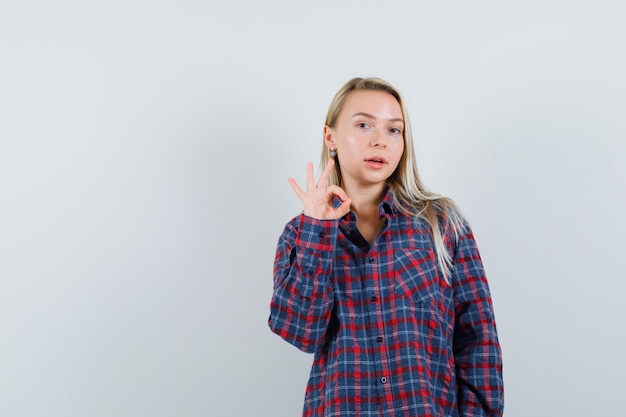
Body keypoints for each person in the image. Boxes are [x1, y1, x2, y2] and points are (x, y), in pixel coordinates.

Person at [268, 77, 504, 417]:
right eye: (364, 125)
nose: (381, 141)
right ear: (330, 137)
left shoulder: (441, 224)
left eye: (394, 130)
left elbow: (478, 341)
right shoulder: (300, 234)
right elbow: (301, 333)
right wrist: (317, 230)